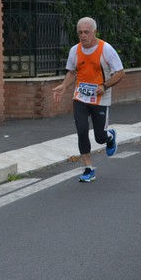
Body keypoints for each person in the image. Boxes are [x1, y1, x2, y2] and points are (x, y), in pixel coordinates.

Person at [53, 17, 125, 182]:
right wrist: (64, 86)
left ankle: (109, 137)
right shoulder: (75, 50)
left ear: (94, 32)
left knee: (100, 137)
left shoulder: (106, 49)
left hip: (100, 99)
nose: (83, 36)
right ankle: (88, 168)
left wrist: (105, 86)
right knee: (82, 130)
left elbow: (120, 73)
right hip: (81, 97)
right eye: (80, 32)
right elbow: (72, 72)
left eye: (87, 32)